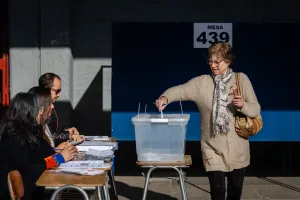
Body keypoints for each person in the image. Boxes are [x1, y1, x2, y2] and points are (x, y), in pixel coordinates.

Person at [155, 42, 261, 200]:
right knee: (217, 192)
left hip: (238, 149)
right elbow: (182, 90)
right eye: (210, 61)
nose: (213, 65)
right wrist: (165, 97)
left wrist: (242, 105)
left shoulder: (241, 80)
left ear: (228, 61)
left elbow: (255, 109)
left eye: (217, 62)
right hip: (212, 148)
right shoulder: (202, 83)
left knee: (235, 192)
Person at [0, 93, 78, 200]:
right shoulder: (13, 136)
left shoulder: (30, 130)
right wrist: (58, 158)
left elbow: (43, 152)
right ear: (28, 111)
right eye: (39, 109)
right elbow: (30, 167)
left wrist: (58, 151)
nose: (41, 113)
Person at [38, 72, 84, 145]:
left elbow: (51, 131)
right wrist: (68, 135)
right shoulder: (37, 106)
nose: (59, 95)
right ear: (46, 89)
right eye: (57, 91)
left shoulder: (48, 105)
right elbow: (46, 137)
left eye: (60, 91)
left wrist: (66, 131)